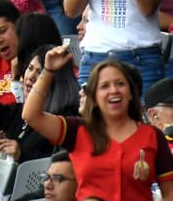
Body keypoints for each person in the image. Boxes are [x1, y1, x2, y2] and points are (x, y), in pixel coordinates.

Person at [23, 45, 173, 198]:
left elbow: (170, 192)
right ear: (94, 97)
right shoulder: (77, 130)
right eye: (104, 86)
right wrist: (48, 71)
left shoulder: (152, 136)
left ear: (131, 93)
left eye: (120, 84)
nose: (113, 90)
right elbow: (32, 115)